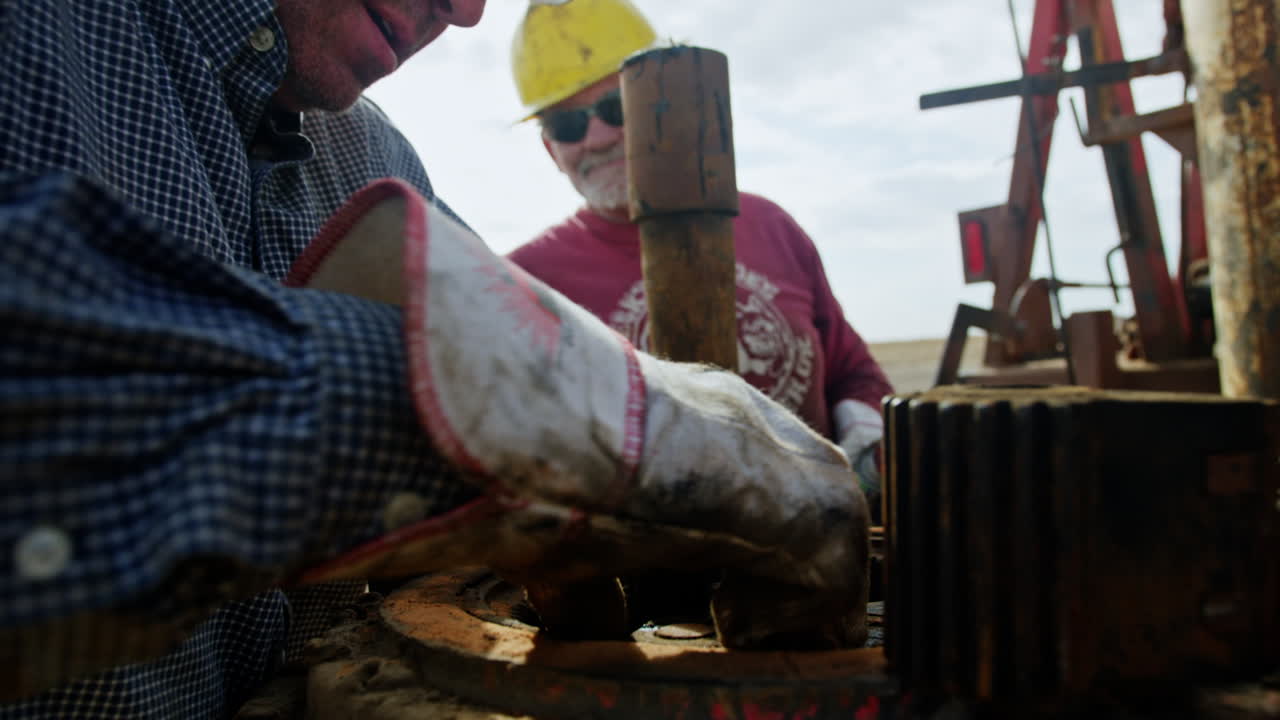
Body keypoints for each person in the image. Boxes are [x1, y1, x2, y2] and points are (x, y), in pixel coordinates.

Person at [1, 0, 869, 716]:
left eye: (615, 107)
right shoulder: (37, 36)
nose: (466, 11)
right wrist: (578, 425)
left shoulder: (378, 163)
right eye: (571, 119)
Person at [506, 0, 895, 499]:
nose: (598, 137)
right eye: (567, 126)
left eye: (616, 108)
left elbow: (853, 371)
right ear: (548, 148)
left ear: (666, 104)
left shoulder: (770, 226)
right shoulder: (524, 283)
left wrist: (862, 459)